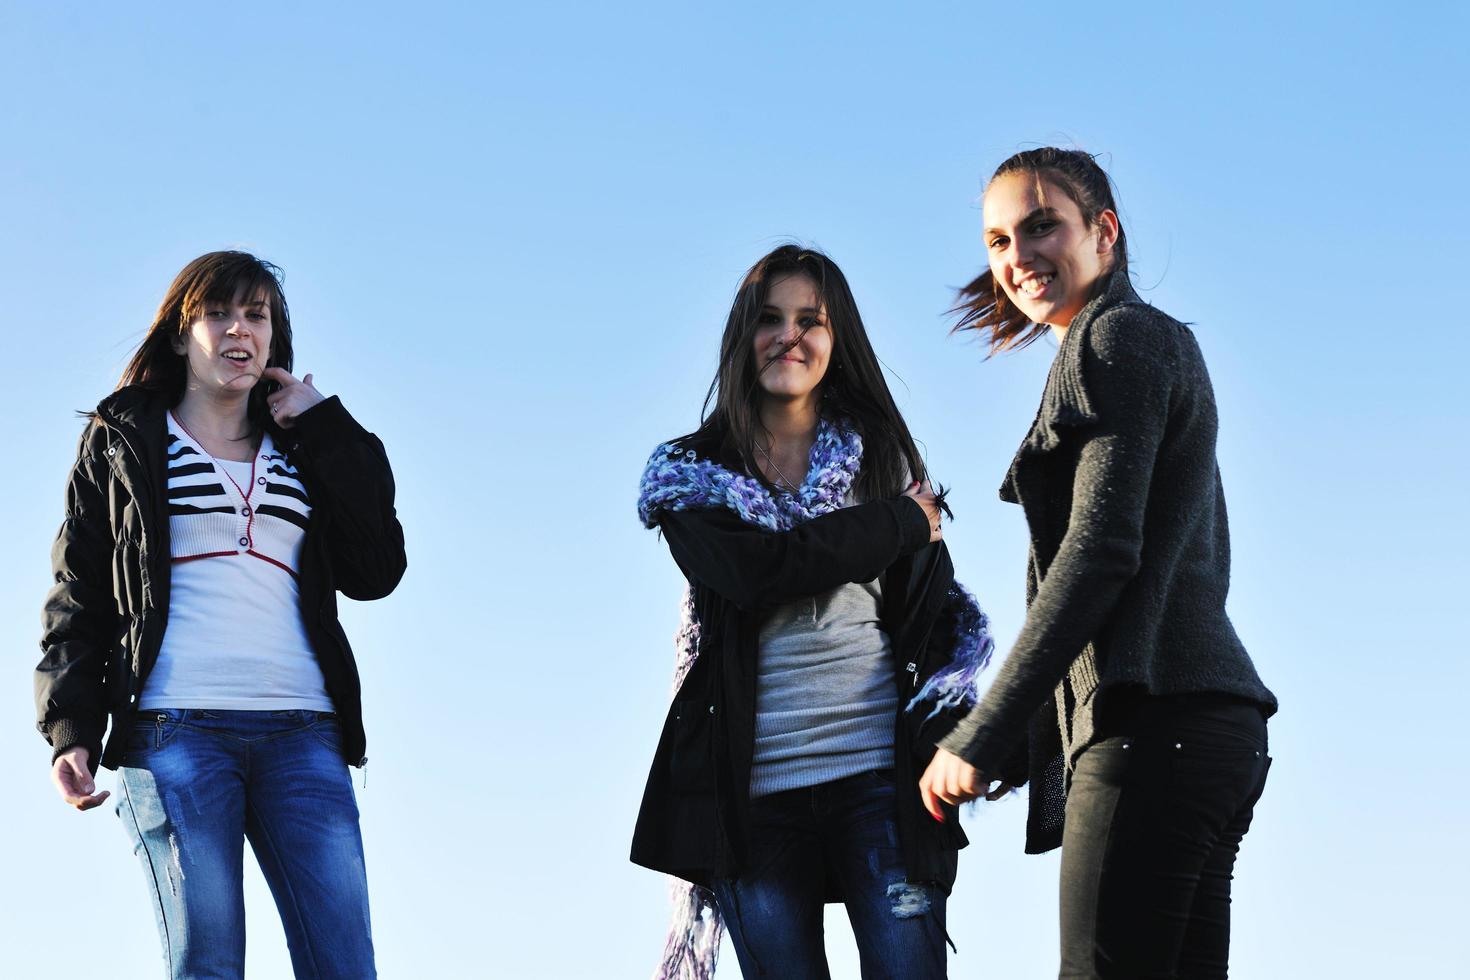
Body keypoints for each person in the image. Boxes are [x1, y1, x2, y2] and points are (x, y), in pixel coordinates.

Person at [919, 148, 1277, 979]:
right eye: (999, 241)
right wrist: (1010, 753)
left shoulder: (1115, 337)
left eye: (1042, 226)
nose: (1017, 257)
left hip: (1158, 731)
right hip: (1209, 730)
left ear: (1103, 231)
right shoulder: (1145, 343)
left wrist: (985, 732)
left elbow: (1100, 553)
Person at [35, 250, 405, 979]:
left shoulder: (307, 444)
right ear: (180, 334)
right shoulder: (123, 441)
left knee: (345, 966)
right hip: (175, 729)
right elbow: (79, 593)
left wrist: (327, 426)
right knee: (207, 963)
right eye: (219, 314)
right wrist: (70, 729)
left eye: (257, 316)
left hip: (305, 732)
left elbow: (377, 570)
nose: (240, 330)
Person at [633, 244, 995, 979]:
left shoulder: (882, 458)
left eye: (810, 320)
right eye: (770, 319)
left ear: (838, 340)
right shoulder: (690, 476)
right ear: (744, 337)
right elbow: (756, 573)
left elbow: (929, 618)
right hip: (752, 796)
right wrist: (894, 524)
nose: (789, 336)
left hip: (879, 780)